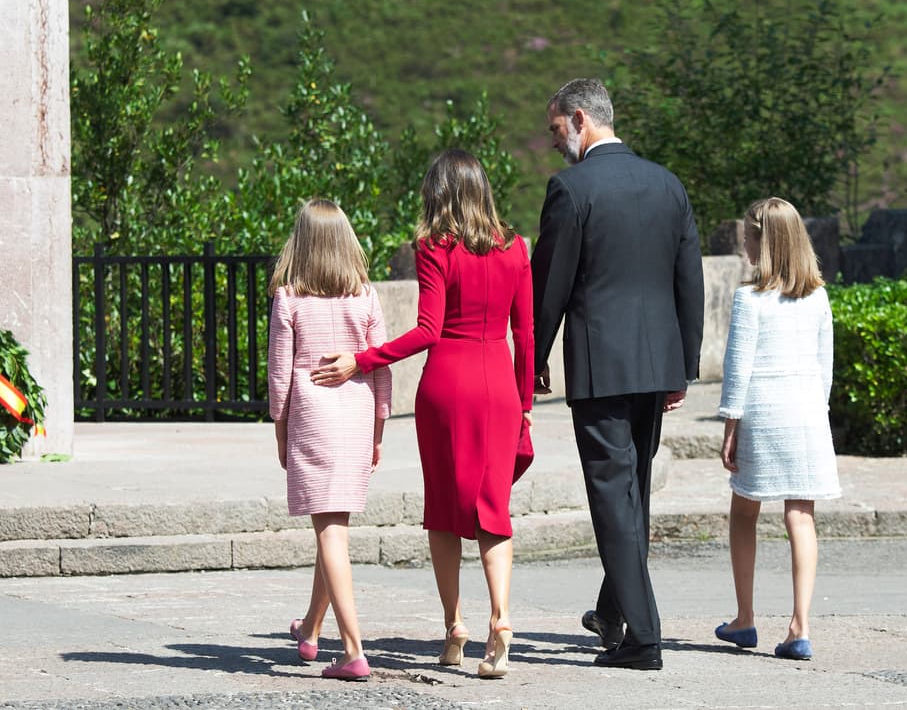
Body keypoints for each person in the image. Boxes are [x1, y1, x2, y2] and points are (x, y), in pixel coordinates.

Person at [311, 149, 534, 679]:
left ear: (438, 193)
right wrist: (525, 404)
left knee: (443, 511)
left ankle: (454, 625)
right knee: (491, 506)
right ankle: (500, 620)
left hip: (448, 386)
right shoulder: (517, 246)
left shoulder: (434, 246)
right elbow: (524, 334)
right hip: (500, 384)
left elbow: (428, 330)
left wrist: (361, 360)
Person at [531, 78, 704, 671]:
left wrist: (533, 360)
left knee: (612, 495)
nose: (554, 143)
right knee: (633, 492)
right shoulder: (668, 184)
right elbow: (689, 280)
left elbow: (548, 286)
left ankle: (643, 638)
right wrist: (685, 364)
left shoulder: (571, 189)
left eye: (557, 130)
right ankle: (613, 612)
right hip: (657, 364)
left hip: (601, 366)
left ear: (580, 119)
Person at [268, 199, 392, 682]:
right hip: (357, 417)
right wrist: (379, 428)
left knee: (329, 531)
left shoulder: (290, 297)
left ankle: (353, 650)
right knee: (334, 524)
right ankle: (312, 631)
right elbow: (380, 368)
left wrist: (280, 431)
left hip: (314, 419)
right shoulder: (365, 294)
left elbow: (280, 376)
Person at [715, 197, 840, 662]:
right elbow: (824, 366)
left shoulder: (749, 298)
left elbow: (738, 366)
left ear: (761, 242)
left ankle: (745, 618)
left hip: (763, 413)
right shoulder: (818, 296)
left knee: (744, 511)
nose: (745, 243)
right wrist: (817, 410)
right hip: (807, 413)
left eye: (748, 236)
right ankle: (800, 626)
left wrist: (730, 423)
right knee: (800, 516)